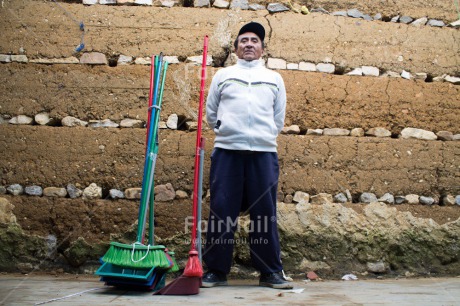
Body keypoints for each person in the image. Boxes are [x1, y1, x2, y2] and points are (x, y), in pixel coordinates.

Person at [202, 21, 292, 289]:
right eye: (244, 40)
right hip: (227, 152)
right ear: (236, 48)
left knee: (264, 212)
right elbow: (211, 114)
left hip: (263, 154)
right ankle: (216, 271)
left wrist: (262, 137)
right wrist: (228, 131)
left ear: (262, 49)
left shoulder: (275, 79)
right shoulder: (223, 76)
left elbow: (278, 118)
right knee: (222, 211)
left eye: (254, 40)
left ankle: (270, 273)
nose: (249, 44)